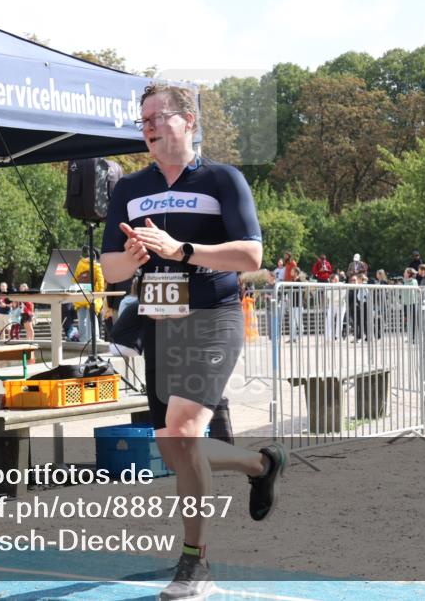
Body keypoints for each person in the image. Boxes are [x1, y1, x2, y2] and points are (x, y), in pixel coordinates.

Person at [100, 83, 286, 601]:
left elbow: (251, 256)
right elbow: (110, 268)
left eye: (158, 117)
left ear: (188, 121)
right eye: (143, 121)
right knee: (173, 445)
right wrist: (135, 258)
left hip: (213, 315)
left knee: (182, 432)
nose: (150, 127)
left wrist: (181, 249)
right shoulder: (129, 188)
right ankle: (260, 464)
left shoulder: (223, 178)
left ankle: (195, 564)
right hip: (160, 321)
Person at [72, 248, 105, 344]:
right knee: (92, 317)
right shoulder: (96, 266)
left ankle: (83, 338)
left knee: (82, 318)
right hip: (92, 295)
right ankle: (95, 338)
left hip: (80, 294)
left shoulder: (80, 264)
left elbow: (75, 279)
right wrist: (100, 293)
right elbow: (100, 280)